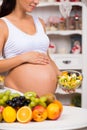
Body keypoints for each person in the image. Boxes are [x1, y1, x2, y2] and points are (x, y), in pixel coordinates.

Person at [0, 0, 61, 96]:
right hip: (18, 98)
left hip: (47, 99)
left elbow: (47, 58)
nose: (36, 2)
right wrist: (24, 58)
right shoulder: (2, 24)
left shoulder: (39, 22)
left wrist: (61, 77)